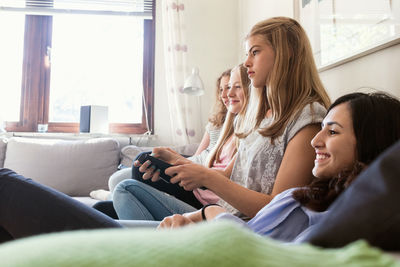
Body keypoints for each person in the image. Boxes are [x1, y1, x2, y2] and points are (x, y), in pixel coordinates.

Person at [127, 16, 330, 222]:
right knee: (106, 204)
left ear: (287, 53)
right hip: (221, 215)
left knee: (125, 189)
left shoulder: (309, 118)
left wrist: (207, 178)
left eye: (255, 52)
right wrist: (175, 160)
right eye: (247, 53)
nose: (246, 62)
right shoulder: (263, 116)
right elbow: (229, 176)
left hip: (241, 227)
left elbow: (278, 209)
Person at [158, 92, 400, 243]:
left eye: (333, 131)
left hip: (216, 235)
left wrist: (210, 211)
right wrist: (197, 216)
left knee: (126, 186)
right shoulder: (315, 197)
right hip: (206, 232)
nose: (315, 140)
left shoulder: (337, 219)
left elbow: (256, 251)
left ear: (370, 142)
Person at [112, 64, 251, 220]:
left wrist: (177, 160)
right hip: (199, 184)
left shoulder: (249, 133)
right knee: (108, 200)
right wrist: (174, 158)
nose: (227, 94)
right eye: (224, 89)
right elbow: (201, 158)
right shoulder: (228, 127)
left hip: (204, 196)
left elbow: (224, 177)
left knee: (130, 178)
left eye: (235, 87)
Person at [89, 68, 232, 202]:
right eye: (221, 89)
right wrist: (178, 160)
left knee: (124, 176)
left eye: (230, 87)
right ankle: (114, 197)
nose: (225, 94)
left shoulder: (238, 127)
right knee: (117, 178)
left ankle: (111, 198)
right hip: (196, 162)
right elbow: (199, 154)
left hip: (202, 171)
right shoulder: (216, 121)